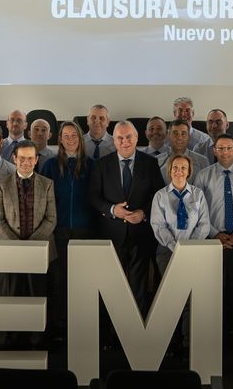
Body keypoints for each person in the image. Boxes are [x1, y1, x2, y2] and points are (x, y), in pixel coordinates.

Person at [88, 120, 165, 318]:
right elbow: (93, 197)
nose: (125, 141)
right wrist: (113, 210)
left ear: (137, 137)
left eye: (129, 137)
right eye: (120, 138)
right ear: (113, 140)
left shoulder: (150, 163)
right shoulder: (101, 165)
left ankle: (137, 332)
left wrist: (143, 213)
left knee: (138, 287)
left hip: (142, 235)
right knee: (113, 287)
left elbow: (158, 196)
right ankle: (114, 335)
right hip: (112, 235)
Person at [0, 142, 57, 348]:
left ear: (37, 160)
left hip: (40, 252)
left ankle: (36, 340)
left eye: (30, 158)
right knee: (8, 296)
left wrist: (31, 247)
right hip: (8, 252)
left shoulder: (47, 184)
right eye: (22, 158)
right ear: (14, 159)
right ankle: (7, 339)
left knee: (36, 296)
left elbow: (51, 218)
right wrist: (17, 246)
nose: (26, 162)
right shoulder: (2, 183)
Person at [196, 134, 233, 347]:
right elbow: (199, 210)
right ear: (214, 150)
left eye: (229, 148)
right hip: (211, 239)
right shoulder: (203, 176)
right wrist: (214, 234)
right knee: (212, 288)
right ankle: (214, 333)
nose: (225, 152)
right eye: (220, 148)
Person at [39, 121, 96, 341]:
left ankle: (82, 328)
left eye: (74, 135)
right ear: (60, 139)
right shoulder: (50, 165)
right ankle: (59, 328)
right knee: (59, 281)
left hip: (85, 232)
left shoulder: (92, 166)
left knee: (83, 282)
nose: (70, 138)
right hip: (58, 231)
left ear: (80, 138)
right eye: (66, 135)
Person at [151, 154, 213, 353]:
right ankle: (168, 341)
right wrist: (174, 246)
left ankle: (187, 342)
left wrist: (189, 248)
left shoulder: (198, 195)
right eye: (175, 168)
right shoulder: (160, 196)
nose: (179, 171)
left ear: (189, 171)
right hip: (166, 252)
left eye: (183, 168)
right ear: (169, 171)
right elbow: (158, 226)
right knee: (169, 297)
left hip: (192, 252)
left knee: (189, 297)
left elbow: (204, 225)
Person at [159, 118, 209, 183]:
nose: (179, 137)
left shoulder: (202, 162)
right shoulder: (157, 161)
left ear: (188, 136)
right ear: (169, 135)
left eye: (183, 133)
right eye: (175, 133)